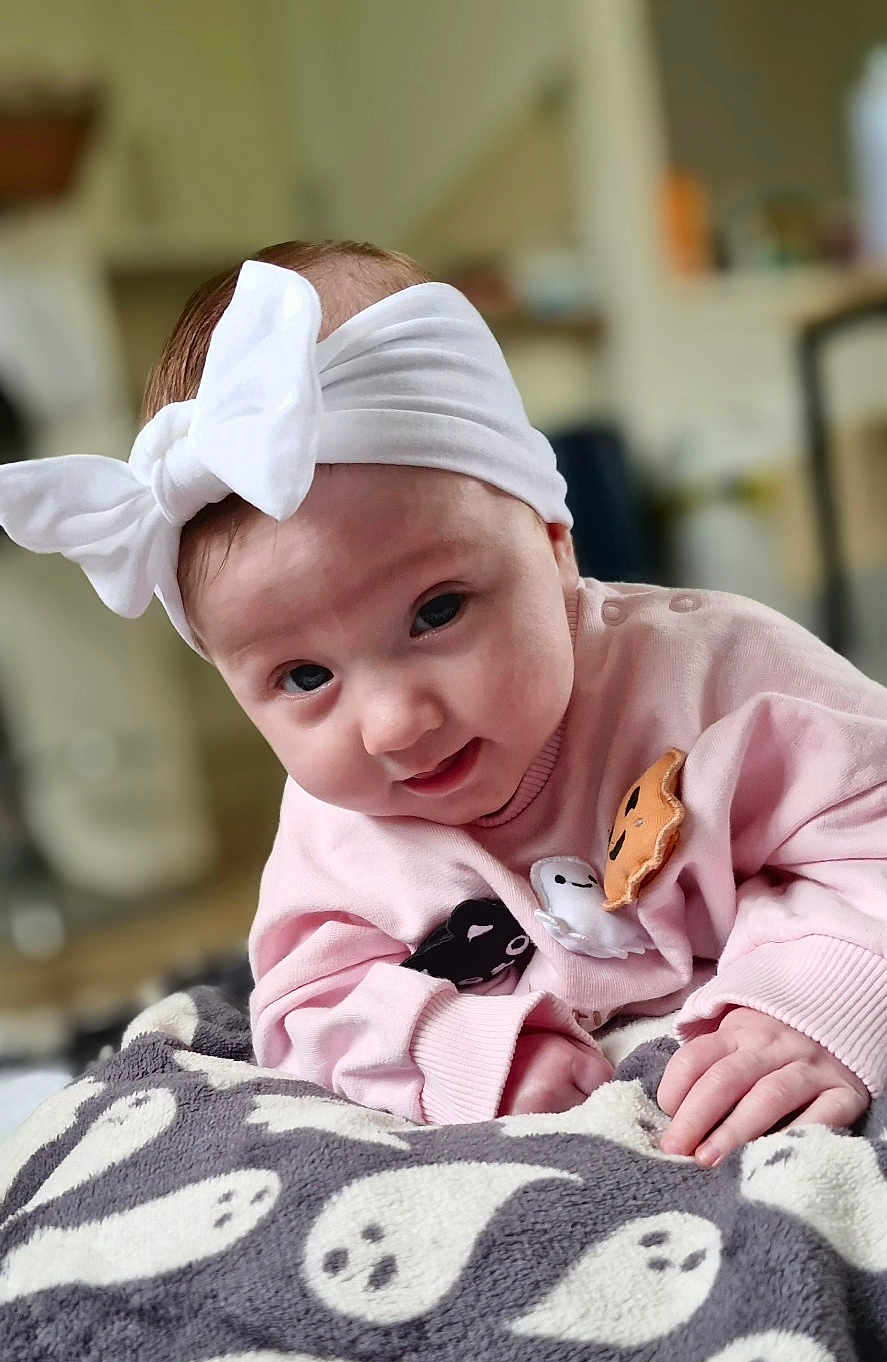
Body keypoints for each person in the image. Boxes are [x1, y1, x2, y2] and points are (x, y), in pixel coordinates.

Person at [1, 238, 885, 1164]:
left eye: (435, 612)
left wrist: (821, 994)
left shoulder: (715, 679)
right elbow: (313, 1008)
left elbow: (874, 816)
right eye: (304, 678)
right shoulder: (337, 839)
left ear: (552, 548)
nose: (392, 722)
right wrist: (474, 1058)